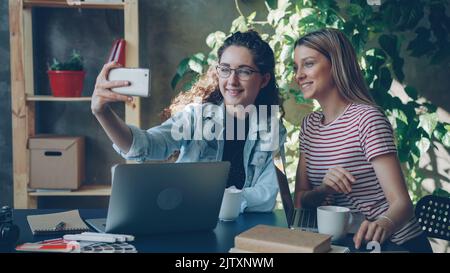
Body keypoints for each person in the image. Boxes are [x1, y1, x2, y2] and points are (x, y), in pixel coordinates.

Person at [91, 30, 286, 213]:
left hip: (243, 230)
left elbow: (266, 196)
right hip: (189, 220)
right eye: (225, 69)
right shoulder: (195, 117)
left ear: (264, 80)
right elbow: (146, 145)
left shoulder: (272, 129)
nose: (232, 80)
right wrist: (102, 113)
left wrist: (211, 197)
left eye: (244, 71)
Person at [292, 28, 432, 252]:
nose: (298, 75)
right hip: (348, 243)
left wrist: (382, 224)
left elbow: (402, 204)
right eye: (295, 67)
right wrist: (324, 189)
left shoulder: (366, 119)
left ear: (336, 64)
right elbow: (299, 201)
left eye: (308, 64)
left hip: (395, 244)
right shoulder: (309, 126)